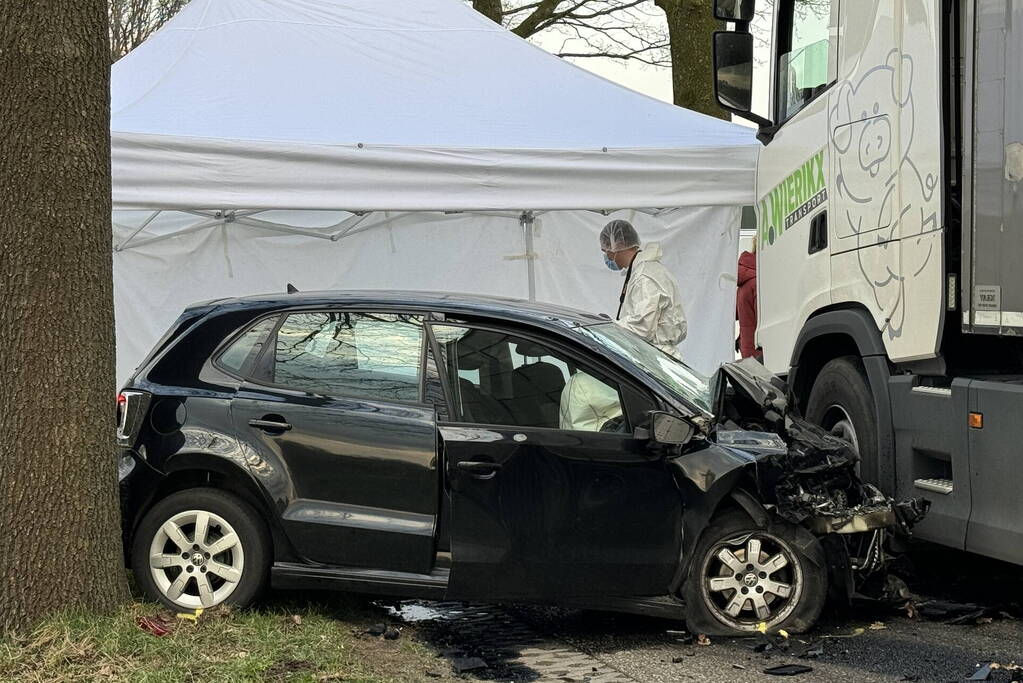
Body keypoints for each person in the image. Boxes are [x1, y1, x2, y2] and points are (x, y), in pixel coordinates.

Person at [599, 219, 687, 359]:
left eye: (605, 251)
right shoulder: (648, 270)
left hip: (657, 358)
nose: (606, 257)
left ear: (616, 247)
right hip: (655, 354)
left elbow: (642, 328)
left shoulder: (644, 277)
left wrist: (609, 327)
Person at [736, 237, 762, 360]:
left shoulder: (744, 282)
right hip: (759, 348)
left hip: (746, 345)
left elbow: (737, 314)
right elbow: (761, 319)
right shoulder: (758, 282)